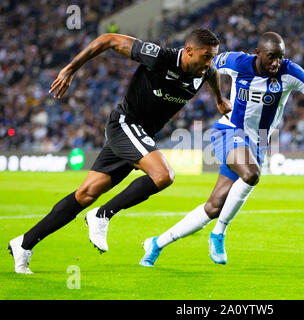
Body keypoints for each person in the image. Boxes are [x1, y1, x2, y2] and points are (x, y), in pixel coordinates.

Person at [8, 28, 231, 274]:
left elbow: (213, 75)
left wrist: (220, 100)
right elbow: (109, 39)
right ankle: (102, 215)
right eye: (206, 56)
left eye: (213, 57)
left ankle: (24, 243)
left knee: (85, 194)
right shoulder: (160, 57)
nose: (210, 62)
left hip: (141, 136)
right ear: (189, 51)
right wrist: (70, 69)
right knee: (164, 175)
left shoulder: (205, 71)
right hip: (125, 124)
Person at [138, 32, 304, 267]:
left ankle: (156, 243)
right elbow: (204, 64)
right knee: (251, 174)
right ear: (258, 53)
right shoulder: (238, 62)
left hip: (257, 142)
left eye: (280, 57)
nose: (276, 63)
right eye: (271, 57)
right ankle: (219, 233)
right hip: (230, 131)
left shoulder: (290, 72)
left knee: (214, 206)